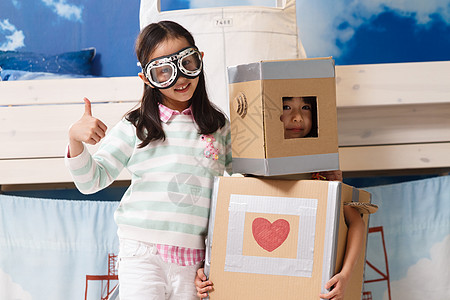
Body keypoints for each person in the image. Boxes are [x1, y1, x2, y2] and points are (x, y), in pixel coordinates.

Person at [65, 20, 231, 300]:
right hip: (142, 253)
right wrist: (74, 139)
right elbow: (91, 181)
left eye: (187, 63)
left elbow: (241, 190)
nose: (179, 78)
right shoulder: (136, 127)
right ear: (147, 79)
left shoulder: (219, 127)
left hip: (195, 260)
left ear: (199, 59)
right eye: (164, 71)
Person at [194, 176, 365, 300]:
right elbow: (221, 237)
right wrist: (207, 273)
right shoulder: (242, 183)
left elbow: (356, 222)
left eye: (305, 122)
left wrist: (345, 274)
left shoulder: (323, 184)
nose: (296, 123)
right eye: (284, 122)